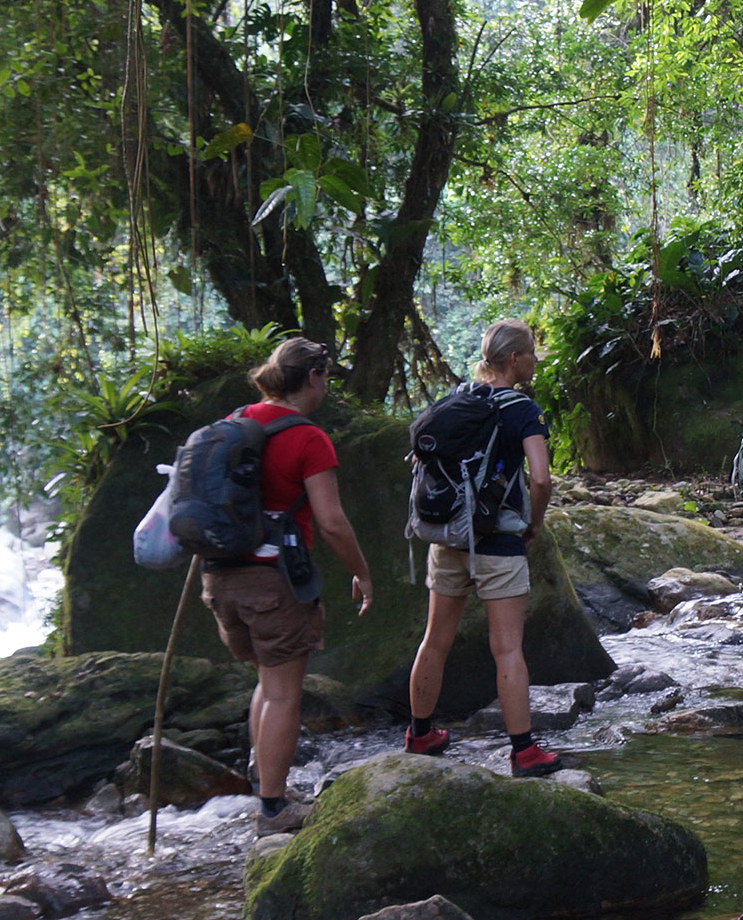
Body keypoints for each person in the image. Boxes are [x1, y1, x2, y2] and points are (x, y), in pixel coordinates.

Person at [198, 337, 373, 835]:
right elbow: (333, 522)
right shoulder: (307, 438)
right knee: (282, 694)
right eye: (326, 378)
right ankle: (273, 810)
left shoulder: (236, 421)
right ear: (313, 377)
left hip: (220, 577)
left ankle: (265, 786)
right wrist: (361, 571)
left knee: (267, 684)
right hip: (271, 582)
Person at [403, 319, 563, 777]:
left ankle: (420, 734)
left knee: (435, 639)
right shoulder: (521, 410)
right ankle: (525, 752)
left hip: (447, 536)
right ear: (514, 359)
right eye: (532, 353)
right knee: (507, 648)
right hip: (497, 541)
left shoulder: (454, 401)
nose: (535, 361)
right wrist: (533, 523)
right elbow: (540, 478)